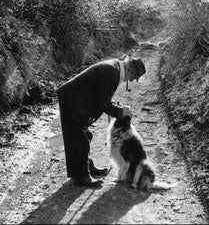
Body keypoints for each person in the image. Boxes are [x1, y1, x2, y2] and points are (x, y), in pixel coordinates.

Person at [57, 56, 146, 186]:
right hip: (72, 99)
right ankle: (81, 177)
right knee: (78, 137)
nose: (131, 80)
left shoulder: (114, 68)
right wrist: (121, 112)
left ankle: (87, 167)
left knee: (85, 135)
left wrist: (118, 108)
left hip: (76, 99)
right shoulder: (112, 72)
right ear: (129, 69)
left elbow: (102, 95)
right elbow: (102, 102)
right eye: (133, 77)